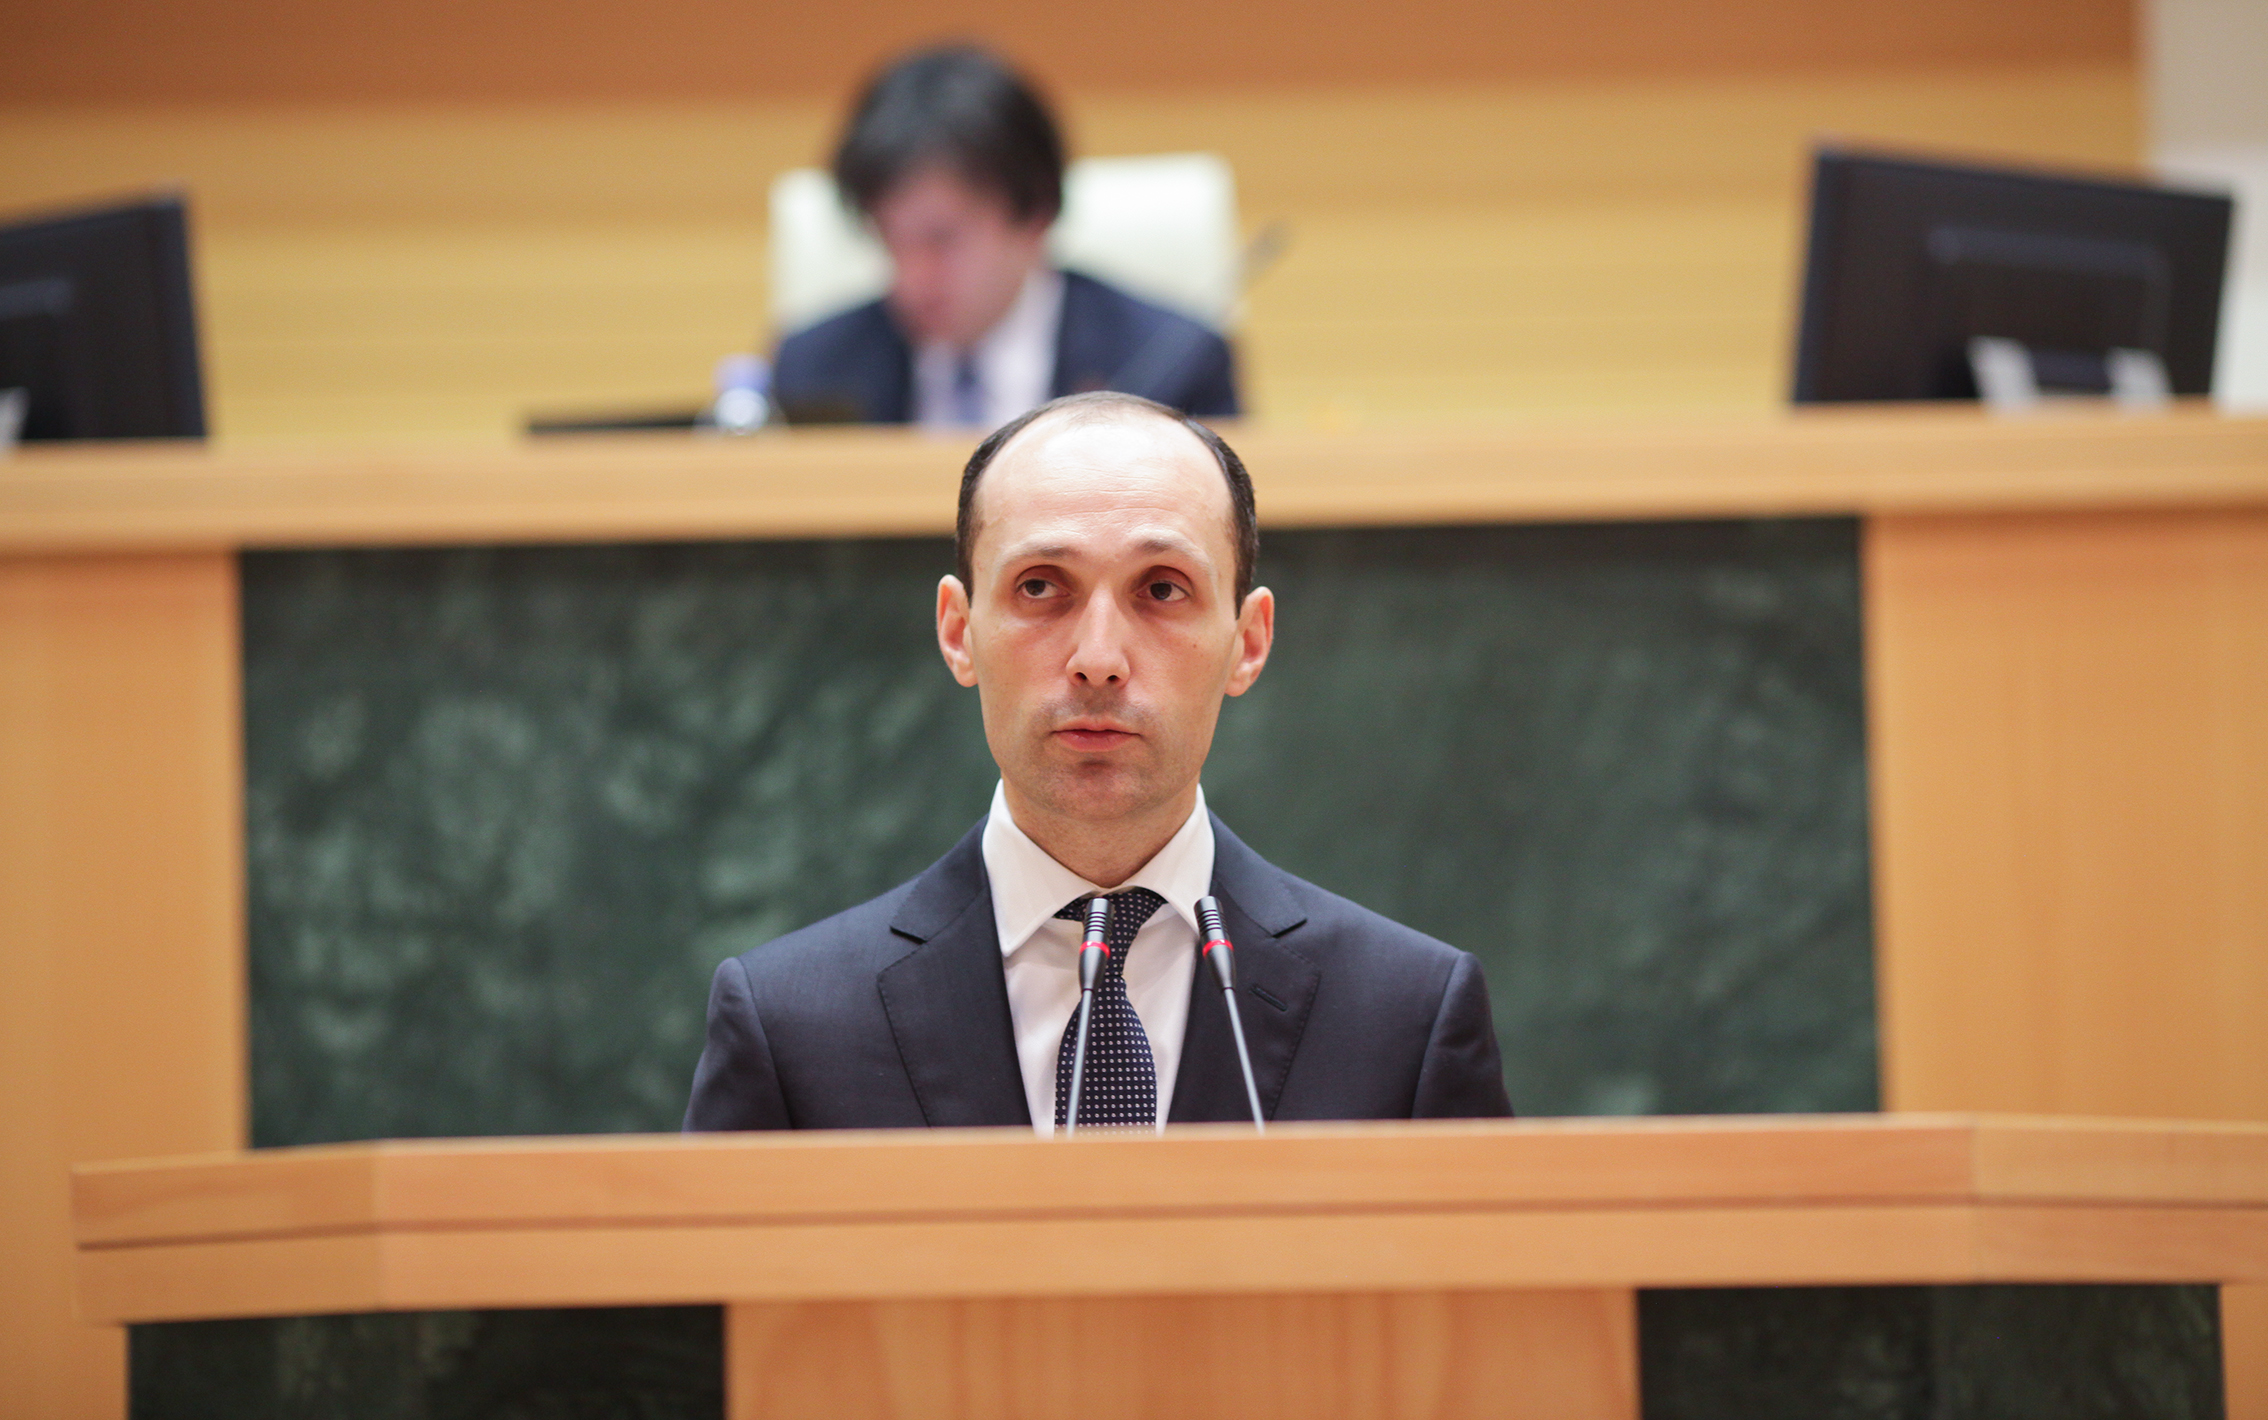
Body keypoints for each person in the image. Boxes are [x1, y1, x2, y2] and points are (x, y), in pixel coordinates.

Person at [683, 392, 1511, 1132]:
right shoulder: (793, 1025)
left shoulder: (1404, 1017)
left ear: (1248, 642)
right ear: (958, 631)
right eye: (1041, 588)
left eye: (1162, 589)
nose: (1099, 660)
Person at [768, 46, 1240, 428]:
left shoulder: (1171, 363)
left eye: (941, 239)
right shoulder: (814, 366)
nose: (912, 277)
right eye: (890, 239)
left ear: (1035, 213)